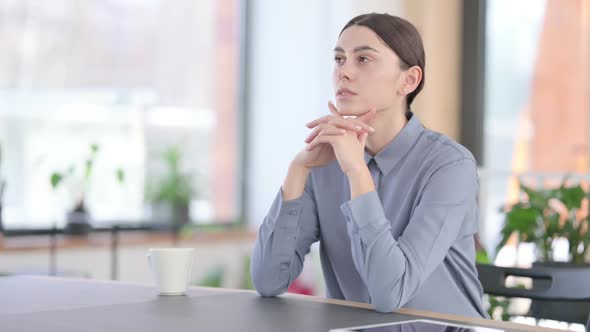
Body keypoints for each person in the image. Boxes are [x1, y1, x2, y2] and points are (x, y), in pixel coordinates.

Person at [251, 13, 487, 318]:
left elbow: (390, 292)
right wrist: (298, 170)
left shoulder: (450, 166)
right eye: (339, 59)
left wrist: (357, 173)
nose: (344, 72)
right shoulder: (323, 160)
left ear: (409, 80)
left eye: (363, 59)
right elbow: (269, 281)